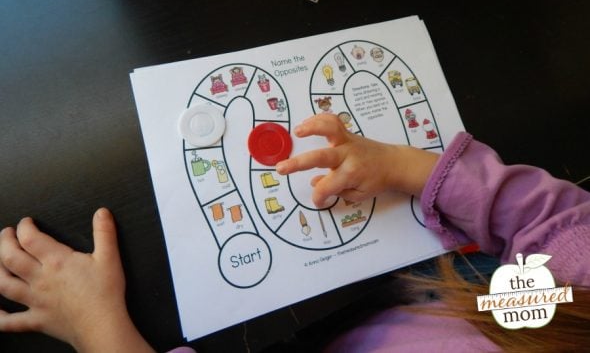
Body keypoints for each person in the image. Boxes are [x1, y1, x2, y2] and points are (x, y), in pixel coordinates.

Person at [0, 113, 588, 352]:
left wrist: (95, 325)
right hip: (439, 294)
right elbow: (555, 227)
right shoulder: (575, 301)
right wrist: (407, 166)